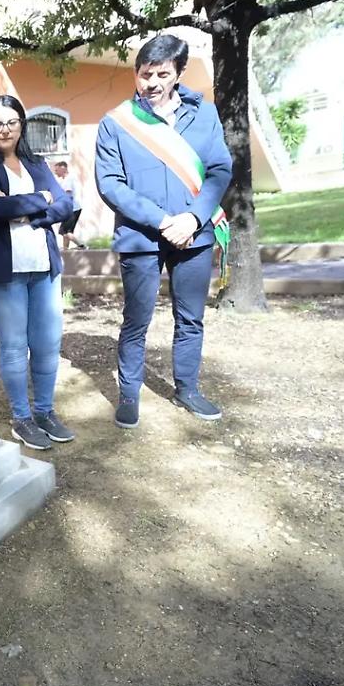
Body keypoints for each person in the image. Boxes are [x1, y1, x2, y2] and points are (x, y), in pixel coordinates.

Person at [94, 34, 232, 429]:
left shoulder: (204, 114)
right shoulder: (116, 123)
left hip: (194, 235)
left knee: (190, 318)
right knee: (136, 319)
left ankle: (187, 388)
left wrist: (193, 218)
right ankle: (129, 393)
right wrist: (163, 220)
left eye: (162, 74)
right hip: (141, 237)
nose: (151, 83)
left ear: (179, 73)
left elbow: (219, 170)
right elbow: (110, 184)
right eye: (144, 74)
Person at [0, 95, 76, 451]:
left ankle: (44, 411)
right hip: (2, 272)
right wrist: (42, 199)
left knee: (47, 344)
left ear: (21, 125)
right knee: (14, 348)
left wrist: (30, 210)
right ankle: (22, 418)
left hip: (43, 268)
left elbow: (66, 204)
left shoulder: (37, 163)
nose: (5, 130)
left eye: (11, 122)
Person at [50, 160, 87, 250]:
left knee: (65, 231)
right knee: (66, 231)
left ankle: (82, 245)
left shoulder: (69, 179)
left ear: (63, 168)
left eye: (57, 170)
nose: (55, 172)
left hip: (72, 209)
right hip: (72, 208)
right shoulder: (66, 179)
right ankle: (65, 249)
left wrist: (58, 205)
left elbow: (68, 195)